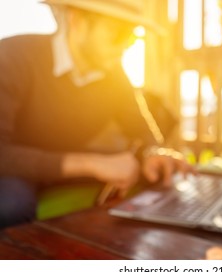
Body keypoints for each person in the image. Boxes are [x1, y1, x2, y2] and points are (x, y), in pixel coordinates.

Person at [0, 0, 192, 229]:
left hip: (63, 159)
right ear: (77, 21)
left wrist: (154, 152)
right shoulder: (12, 56)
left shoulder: (114, 73)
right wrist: (91, 163)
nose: (125, 46)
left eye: (131, 36)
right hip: (13, 166)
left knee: (150, 173)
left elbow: (142, 128)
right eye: (116, 33)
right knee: (11, 203)